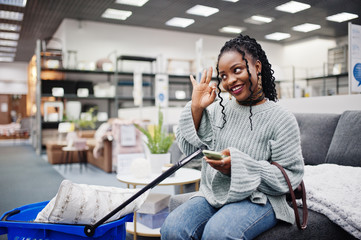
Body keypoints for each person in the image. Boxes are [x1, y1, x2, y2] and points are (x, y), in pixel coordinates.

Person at [160, 34, 304, 240]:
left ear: (257, 66)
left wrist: (239, 167)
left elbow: (290, 176)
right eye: (224, 76)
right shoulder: (219, 110)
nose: (230, 81)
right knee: (172, 228)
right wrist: (196, 108)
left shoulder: (281, 119)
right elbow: (191, 151)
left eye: (237, 70)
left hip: (259, 198)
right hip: (214, 194)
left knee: (218, 233)